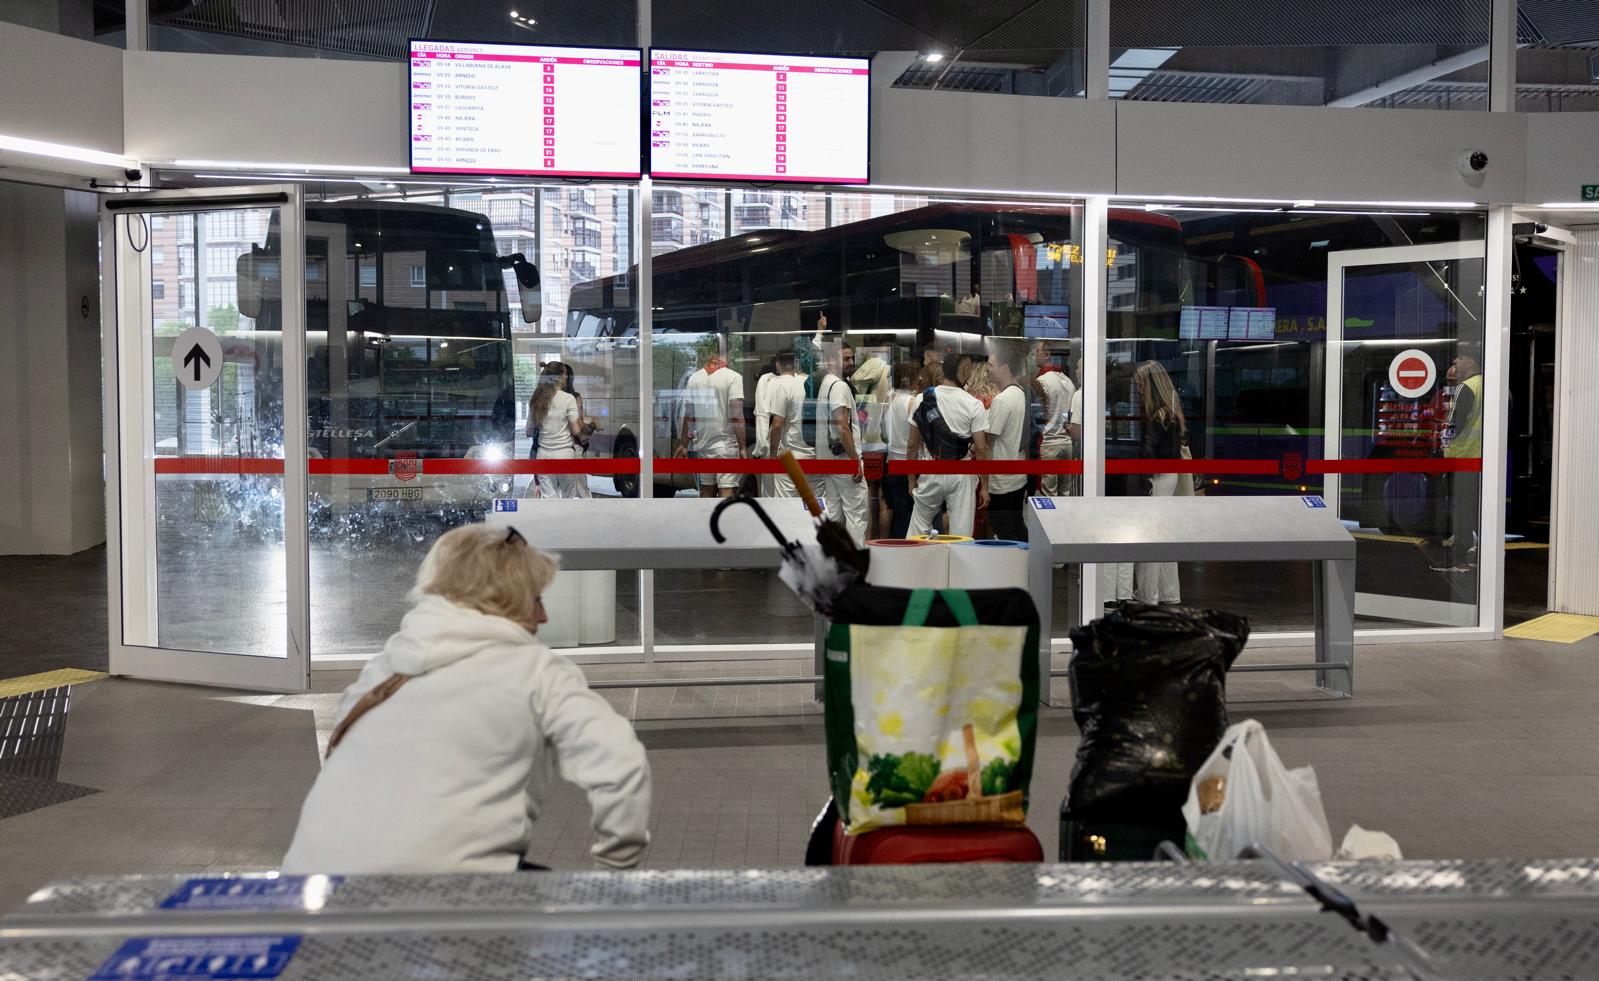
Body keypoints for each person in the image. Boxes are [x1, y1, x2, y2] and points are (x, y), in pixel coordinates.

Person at [281, 524, 651, 874]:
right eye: (535, 598)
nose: (543, 614)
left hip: (306, 895)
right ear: (503, 598)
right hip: (444, 899)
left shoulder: (382, 671)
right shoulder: (537, 671)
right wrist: (615, 871)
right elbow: (622, 765)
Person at [906, 353, 990, 538]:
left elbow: (912, 444)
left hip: (931, 468)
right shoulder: (974, 405)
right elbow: (981, 448)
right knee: (961, 531)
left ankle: (910, 562)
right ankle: (957, 565)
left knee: (918, 527)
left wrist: (911, 480)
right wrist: (984, 486)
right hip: (962, 473)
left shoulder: (922, 399)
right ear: (965, 371)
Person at [1132, 360, 1187, 604]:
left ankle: (1147, 594)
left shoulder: (1157, 416)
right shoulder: (1172, 411)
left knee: (1150, 537)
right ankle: (1170, 593)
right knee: (1165, 536)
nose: (1138, 390)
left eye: (1140, 385)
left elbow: (1148, 452)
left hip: (1157, 478)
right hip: (1170, 477)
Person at [1433, 343, 1484, 574]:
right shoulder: (1490, 385)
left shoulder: (1466, 387)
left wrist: (1442, 443)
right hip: (1481, 459)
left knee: (1461, 511)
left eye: (1459, 359)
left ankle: (1459, 560)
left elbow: (1453, 425)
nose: (1455, 363)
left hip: (1462, 458)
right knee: (1475, 511)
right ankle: (1478, 555)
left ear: (1471, 362)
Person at [675, 343, 747, 499]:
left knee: (707, 488)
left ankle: (706, 521)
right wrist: (742, 447)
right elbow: (736, 414)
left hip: (703, 445)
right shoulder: (733, 377)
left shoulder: (695, 378)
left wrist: (683, 444)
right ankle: (725, 522)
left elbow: (689, 415)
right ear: (728, 354)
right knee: (726, 489)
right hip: (726, 445)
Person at [815, 339, 868, 545]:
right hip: (844, 461)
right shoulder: (839, 386)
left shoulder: (826, 384)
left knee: (834, 513)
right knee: (856, 515)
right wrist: (855, 460)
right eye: (845, 358)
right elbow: (842, 426)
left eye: (851, 358)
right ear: (830, 361)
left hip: (830, 461)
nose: (851, 361)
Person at [986, 340, 1032, 542]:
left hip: (1002, 480)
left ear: (1005, 368)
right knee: (1017, 525)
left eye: (991, 365)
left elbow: (989, 439)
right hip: (1018, 475)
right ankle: (1026, 568)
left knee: (1004, 529)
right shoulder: (1021, 394)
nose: (987, 369)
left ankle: (1014, 571)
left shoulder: (1002, 400)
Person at [528, 361, 592, 499]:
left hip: (543, 455)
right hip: (565, 455)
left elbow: (529, 431)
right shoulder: (568, 398)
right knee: (567, 498)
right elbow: (575, 430)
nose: (567, 377)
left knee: (549, 498)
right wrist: (585, 424)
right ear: (559, 377)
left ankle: (551, 521)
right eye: (565, 374)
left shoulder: (537, 398)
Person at [879, 361, 920, 538]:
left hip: (890, 461)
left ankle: (888, 542)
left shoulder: (888, 400)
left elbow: (882, 431)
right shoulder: (912, 402)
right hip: (907, 463)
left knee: (891, 507)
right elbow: (915, 438)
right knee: (907, 513)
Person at [1035, 342, 1078, 497]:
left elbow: (1039, 414)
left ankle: (1049, 522)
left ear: (1047, 355)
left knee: (1049, 495)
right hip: (1067, 443)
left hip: (1050, 443)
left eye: (1037, 351)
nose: (1035, 355)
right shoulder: (1068, 381)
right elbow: (1070, 414)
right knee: (1064, 492)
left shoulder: (1042, 381)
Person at [767, 349, 812, 498]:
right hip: (814, 455)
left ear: (777, 365)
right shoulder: (809, 383)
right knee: (813, 507)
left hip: (792, 455)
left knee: (786, 507)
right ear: (796, 364)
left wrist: (772, 456)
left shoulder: (781, 385)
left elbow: (777, 425)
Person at [751, 358, 778, 497]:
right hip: (790, 447)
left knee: (769, 492)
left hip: (769, 447)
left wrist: (760, 449)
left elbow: (762, 415)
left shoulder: (765, 380)